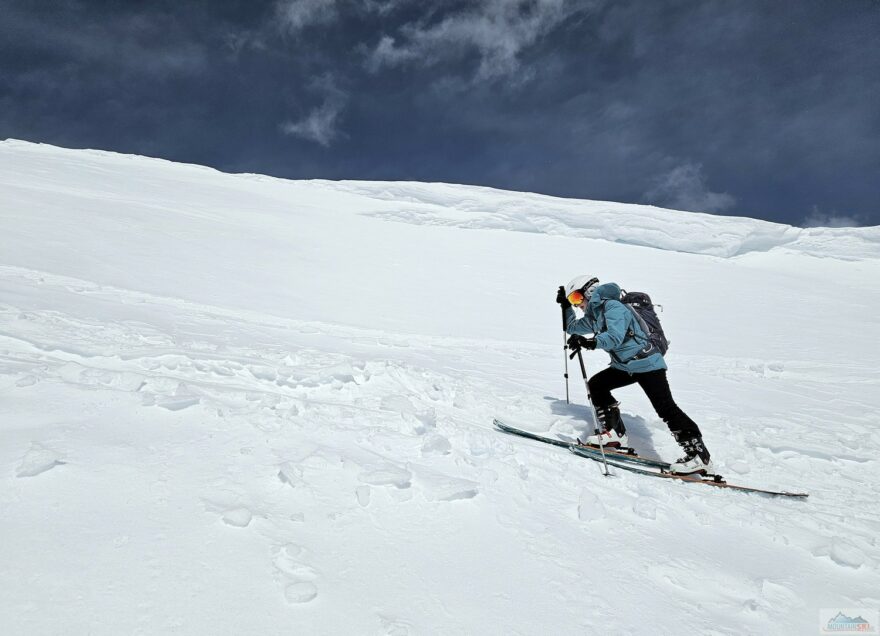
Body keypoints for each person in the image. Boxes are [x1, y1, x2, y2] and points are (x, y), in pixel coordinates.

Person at [556, 275, 713, 475]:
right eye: (572, 300)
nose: (577, 304)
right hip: (626, 366)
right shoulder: (594, 316)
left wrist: (590, 342)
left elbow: (614, 337)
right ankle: (614, 433)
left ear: (590, 292)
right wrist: (565, 307)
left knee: (666, 408)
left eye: (577, 298)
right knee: (597, 385)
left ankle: (699, 456)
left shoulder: (613, 307)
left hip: (647, 364)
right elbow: (572, 327)